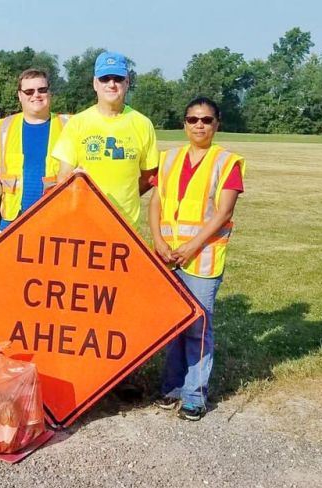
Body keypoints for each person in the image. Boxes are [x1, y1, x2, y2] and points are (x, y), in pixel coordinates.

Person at [149, 96, 245, 421]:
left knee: (197, 327)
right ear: (184, 123)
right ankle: (172, 387)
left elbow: (224, 211)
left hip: (202, 259)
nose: (199, 125)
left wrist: (190, 248)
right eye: (193, 119)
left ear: (217, 123)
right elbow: (156, 203)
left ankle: (194, 395)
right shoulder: (169, 158)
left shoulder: (226, 161)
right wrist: (159, 241)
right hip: (168, 256)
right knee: (173, 325)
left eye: (206, 120)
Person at [52, 51, 158, 228]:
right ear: (95, 83)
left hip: (125, 226)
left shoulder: (143, 124)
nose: (111, 84)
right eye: (105, 79)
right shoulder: (77, 123)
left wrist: (125, 198)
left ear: (127, 83)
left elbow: (148, 177)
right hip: (84, 223)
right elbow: (64, 177)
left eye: (117, 78)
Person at [0, 69, 70, 230]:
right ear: (20, 95)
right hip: (11, 222)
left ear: (50, 92)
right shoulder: (2, 128)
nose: (36, 95)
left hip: (55, 223)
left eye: (42, 90)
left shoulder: (69, 126)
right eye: (29, 91)